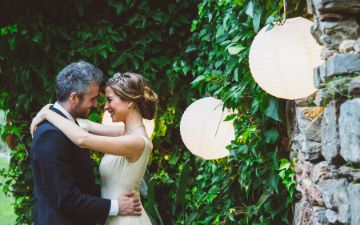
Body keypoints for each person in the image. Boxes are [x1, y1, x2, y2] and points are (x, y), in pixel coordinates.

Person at [31, 70, 158, 225]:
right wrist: (53, 108)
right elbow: (85, 125)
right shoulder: (122, 132)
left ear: (130, 101)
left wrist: (47, 113)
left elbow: (83, 138)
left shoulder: (136, 141)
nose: (104, 106)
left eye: (110, 100)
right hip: (116, 215)